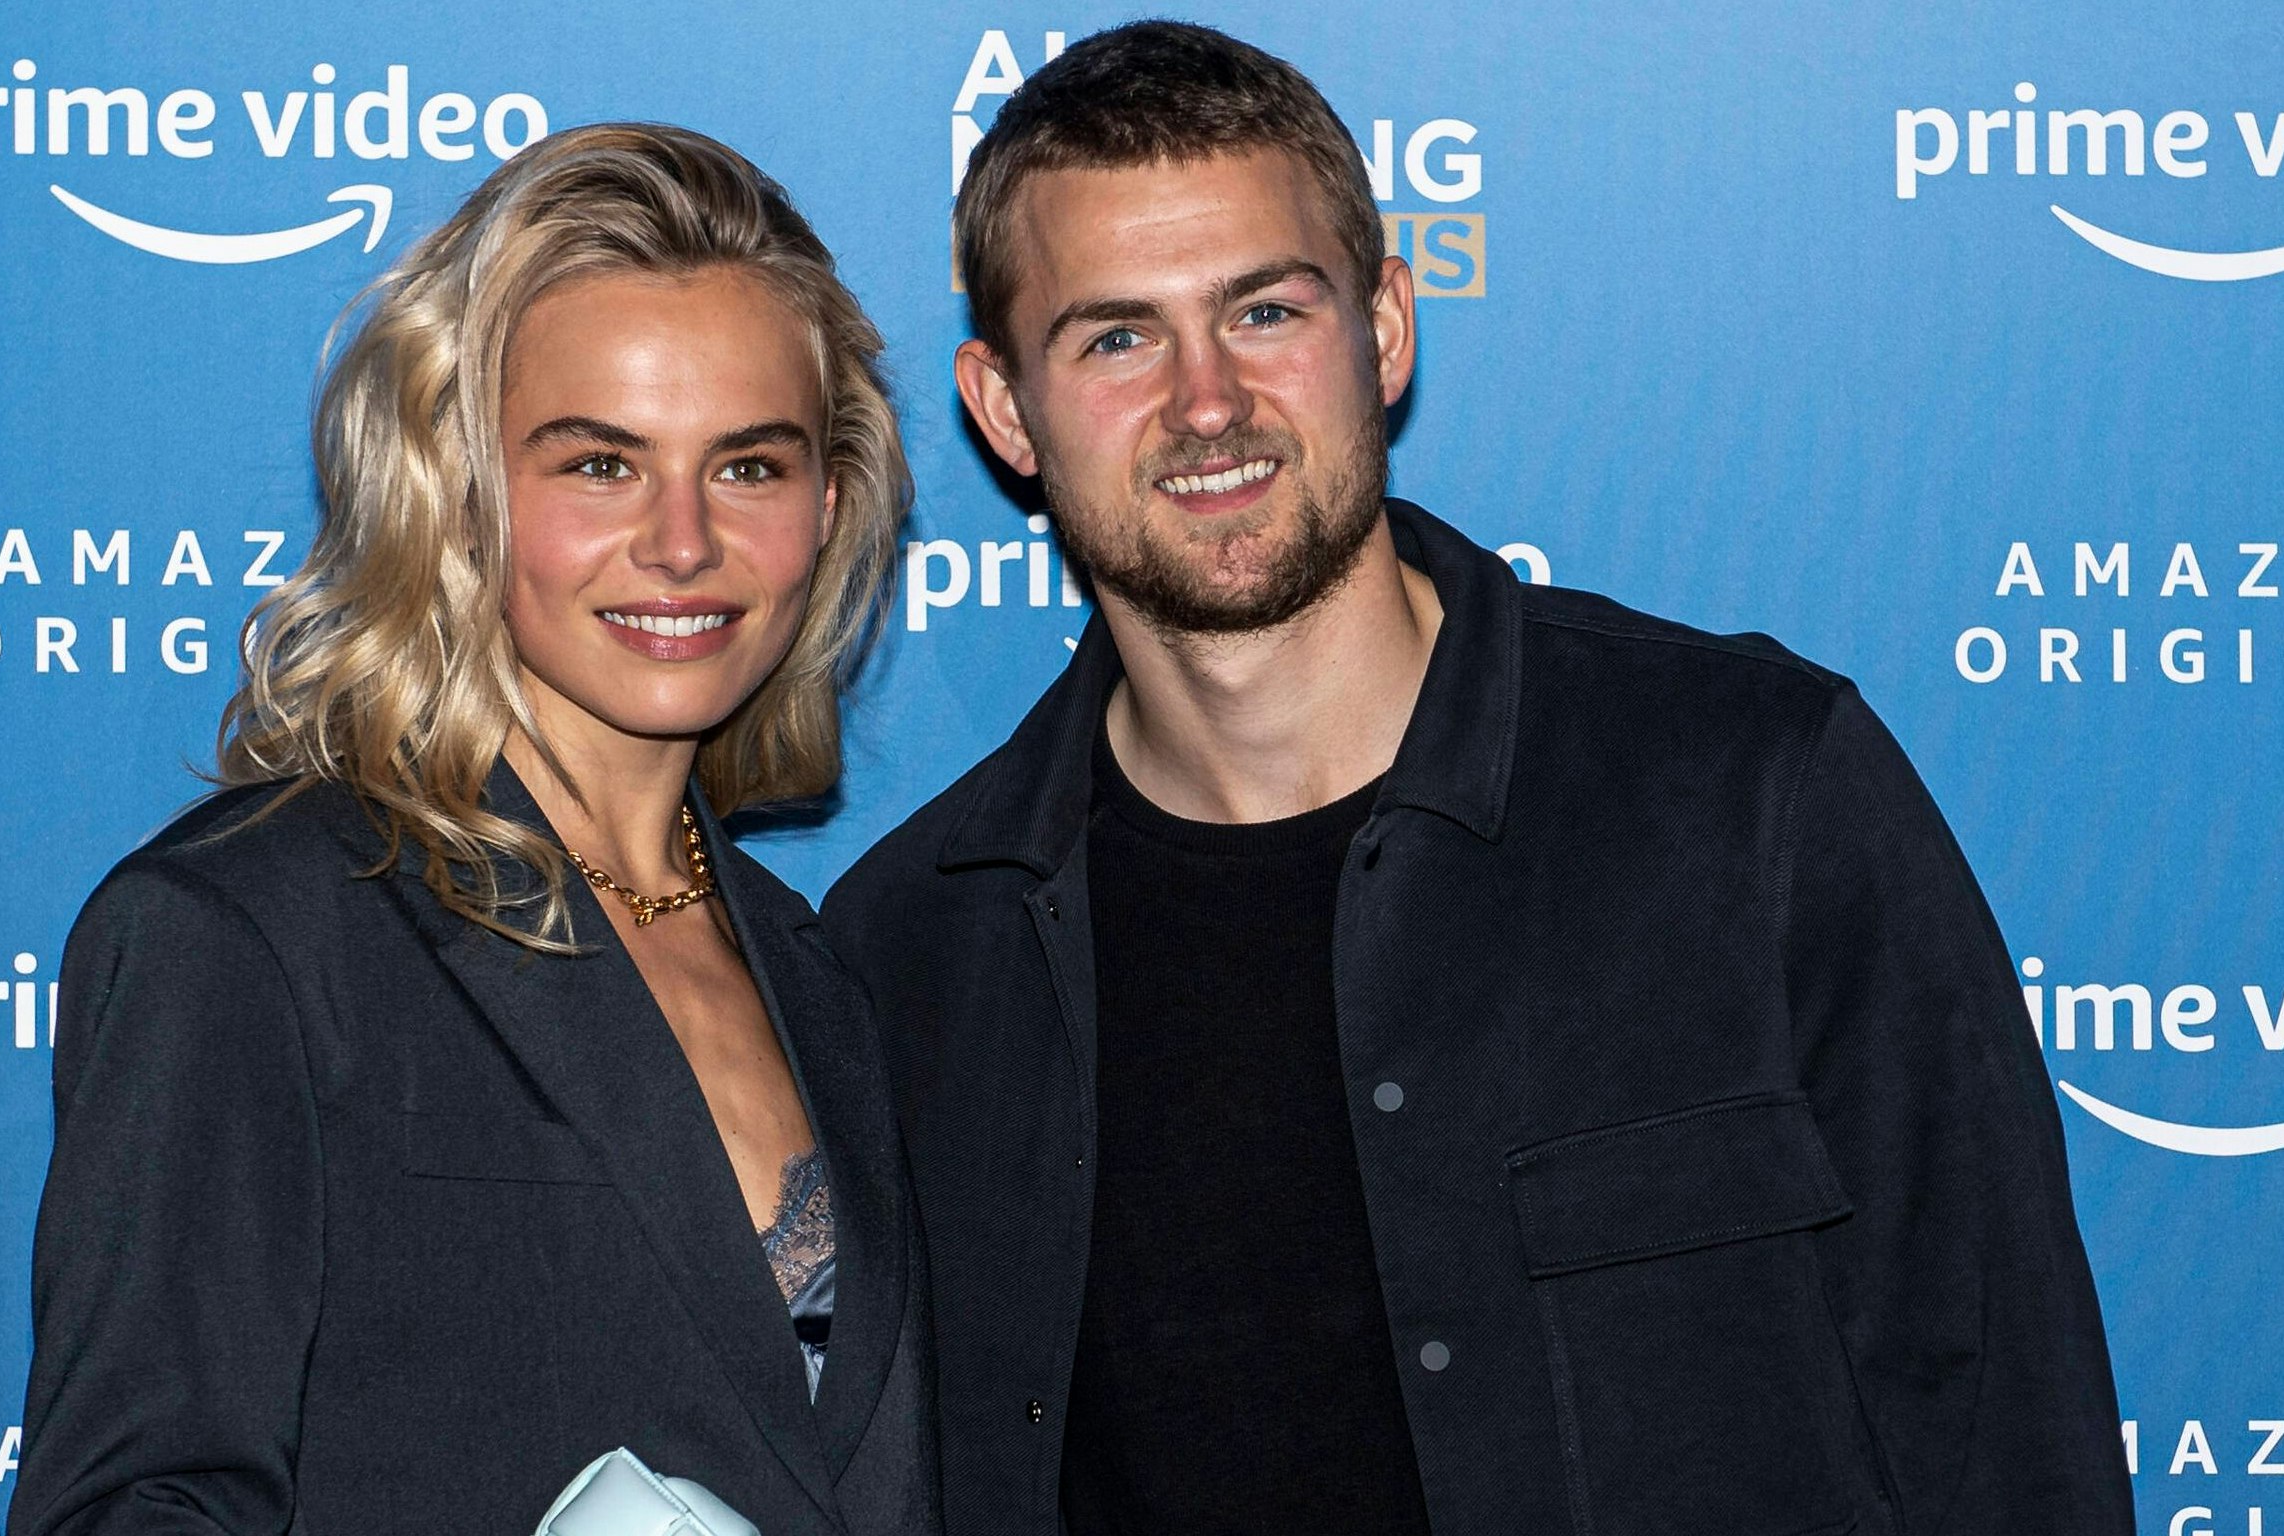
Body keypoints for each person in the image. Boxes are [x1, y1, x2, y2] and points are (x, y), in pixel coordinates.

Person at [823, 22, 2132, 1536]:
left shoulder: (1753, 799)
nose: (1205, 400)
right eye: (1117, 337)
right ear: (1004, 411)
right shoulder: (918, 952)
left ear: (1383, 329)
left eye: (1263, 309)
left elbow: (2006, 1438)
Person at [7, 123, 937, 1536]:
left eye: (749, 465)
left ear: (830, 501)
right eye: (600, 466)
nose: (682, 543)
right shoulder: (253, 933)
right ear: (454, 486)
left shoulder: (818, 965)